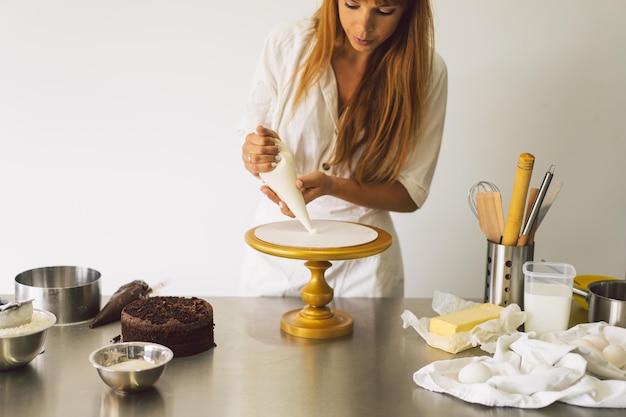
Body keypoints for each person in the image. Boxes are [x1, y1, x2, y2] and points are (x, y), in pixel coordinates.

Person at [239, 0, 447, 297]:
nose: (364, 25)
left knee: (364, 344)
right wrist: (254, 155)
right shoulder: (287, 44)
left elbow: (410, 194)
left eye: (385, 11)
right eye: (351, 4)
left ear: (409, 9)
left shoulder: (426, 71)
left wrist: (331, 186)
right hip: (278, 251)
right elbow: (253, 148)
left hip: (365, 265)